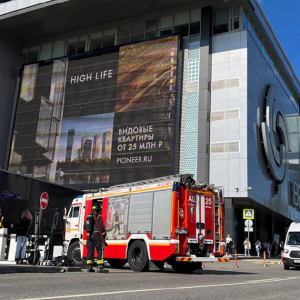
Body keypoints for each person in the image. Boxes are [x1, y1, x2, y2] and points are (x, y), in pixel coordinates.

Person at [84, 201, 109, 273]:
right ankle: (100, 267)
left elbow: (85, 227)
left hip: (89, 236)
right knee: (100, 250)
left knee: (90, 250)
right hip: (97, 235)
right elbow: (101, 227)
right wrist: (104, 234)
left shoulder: (89, 217)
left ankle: (90, 267)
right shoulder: (98, 217)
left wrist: (90, 233)